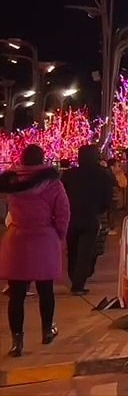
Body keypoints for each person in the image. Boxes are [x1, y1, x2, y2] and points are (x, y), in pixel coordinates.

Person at [0, 145, 69, 357]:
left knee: (17, 294)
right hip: (44, 239)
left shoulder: (12, 182)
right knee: (45, 290)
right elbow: (63, 212)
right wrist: (59, 236)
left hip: (18, 239)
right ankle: (47, 330)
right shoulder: (53, 184)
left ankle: (16, 342)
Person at [60, 145, 115, 296]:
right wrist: (102, 210)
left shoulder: (69, 175)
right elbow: (107, 198)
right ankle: (79, 283)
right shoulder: (103, 175)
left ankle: (74, 276)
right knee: (86, 250)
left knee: (72, 249)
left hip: (71, 217)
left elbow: (62, 195)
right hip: (91, 216)